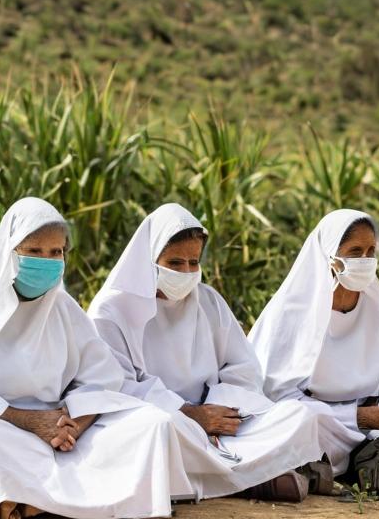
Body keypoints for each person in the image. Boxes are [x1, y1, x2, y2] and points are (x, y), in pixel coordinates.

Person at [0, 197, 192, 519]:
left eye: (56, 252)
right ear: (10, 252)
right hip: (2, 424)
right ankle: (80, 501)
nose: (48, 260)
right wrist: (31, 421)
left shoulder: (63, 307)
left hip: (62, 430)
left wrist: (73, 424)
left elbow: (102, 378)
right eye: (34, 251)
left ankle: (33, 502)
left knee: (151, 422)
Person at [88, 204, 328, 501]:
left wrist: (222, 413)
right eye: (175, 263)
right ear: (148, 260)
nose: (187, 272)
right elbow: (116, 389)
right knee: (160, 429)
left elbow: (243, 369)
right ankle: (254, 478)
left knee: (300, 416)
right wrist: (190, 415)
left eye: (193, 262)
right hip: (164, 419)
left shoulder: (209, 302)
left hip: (217, 419)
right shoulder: (111, 311)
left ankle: (220, 478)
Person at [249, 209, 379, 479]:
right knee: (299, 420)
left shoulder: (376, 307)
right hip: (319, 422)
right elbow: (276, 396)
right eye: (354, 252)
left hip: (373, 426)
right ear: (329, 256)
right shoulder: (293, 312)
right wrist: (357, 416)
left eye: (370, 251)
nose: (365, 260)